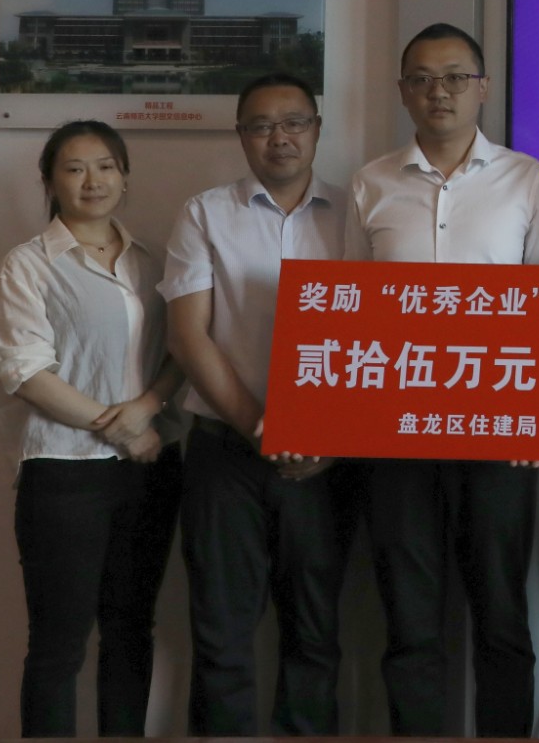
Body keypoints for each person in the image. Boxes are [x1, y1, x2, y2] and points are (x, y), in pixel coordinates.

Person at [347, 21, 539, 737]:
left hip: (498, 425)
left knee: (501, 613)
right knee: (409, 618)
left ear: (483, 87)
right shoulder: (371, 182)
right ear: (402, 92)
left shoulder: (525, 178)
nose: (438, 91)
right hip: (395, 431)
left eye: (454, 77)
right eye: (421, 79)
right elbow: (347, 305)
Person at [162, 72, 356, 734]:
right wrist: (262, 428)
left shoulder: (358, 215)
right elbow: (188, 335)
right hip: (226, 453)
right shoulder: (204, 213)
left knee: (315, 636)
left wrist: (326, 437)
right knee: (222, 634)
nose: (280, 137)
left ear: (317, 129)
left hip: (329, 461)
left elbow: (378, 334)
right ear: (241, 135)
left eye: (294, 122)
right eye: (262, 125)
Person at [0, 120, 184, 737]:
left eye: (105, 166)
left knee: (131, 630)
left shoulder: (152, 261)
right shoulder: (26, 266)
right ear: (49, 182)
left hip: (149, 472)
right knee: (58, 644)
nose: (92, 180)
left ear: (125, 177)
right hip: (64, 472)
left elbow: (182, 349)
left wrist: (148, 406)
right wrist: (121, 428)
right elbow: (25, 372)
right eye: (74, 168)